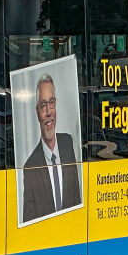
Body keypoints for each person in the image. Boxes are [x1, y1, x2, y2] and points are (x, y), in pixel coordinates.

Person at [22, 73, 82, 223]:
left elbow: (76, 196)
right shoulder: (29, 167)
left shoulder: (68, 143)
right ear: (37, 113)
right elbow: (29, 222)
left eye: (51, 103)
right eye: (43, 105)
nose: (49, 112)